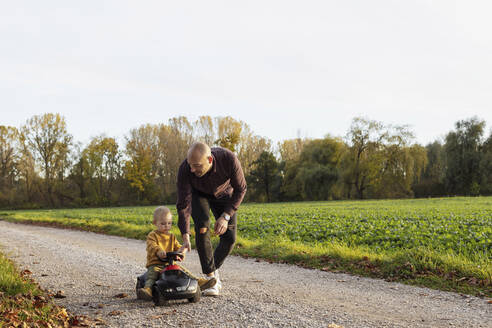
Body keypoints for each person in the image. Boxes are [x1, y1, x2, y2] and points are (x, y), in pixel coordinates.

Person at [176, 142, 247, 296]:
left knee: (229, 238)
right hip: (199, 194)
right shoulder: (185, 169)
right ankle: (211, 279)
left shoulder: (228, 159)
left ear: (209, 160)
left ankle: (213, 269)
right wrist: (185, 236)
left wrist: (226, 216)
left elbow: (241, 189)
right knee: (202, 228)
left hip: (225, 194)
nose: (192, 170)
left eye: (196, 166)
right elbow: (183, 205)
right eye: (190, 166)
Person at [137, 206, 216, 300]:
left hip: (170, 264)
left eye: (169, 223)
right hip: (156, 264)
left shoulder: (171, 236)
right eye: (163, 224)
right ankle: (148, 290)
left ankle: (198, 282)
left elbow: (177, 247)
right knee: (152, 275)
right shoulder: (153, 235)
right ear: (155, 223)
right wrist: (159, 251)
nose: (167, 226)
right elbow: (152, 245)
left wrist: (181, 251)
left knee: (183, 272)